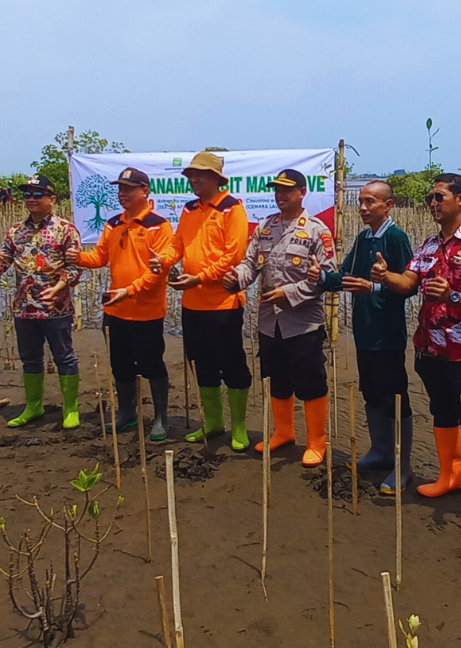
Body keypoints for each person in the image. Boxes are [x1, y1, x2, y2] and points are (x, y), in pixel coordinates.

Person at [376, 173, 461, 535]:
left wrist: (454, 297)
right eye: (429, 199)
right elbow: (409, 282)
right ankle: (451, 475)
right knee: (442, 411)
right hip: (429, 347)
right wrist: (387, 276)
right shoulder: (428, 245)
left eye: (439, 197)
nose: (433, 204)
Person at [225, 169, 338, 466]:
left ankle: (316, 441)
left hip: (302, 322)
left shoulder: (317, 230)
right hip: (269, 320)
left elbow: (327, 276)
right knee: (277, 377)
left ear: (302, 192)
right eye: (277, 189)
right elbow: (250, 264)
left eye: (287, 190)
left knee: (311, 380)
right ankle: (284, 432)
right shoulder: (265, 227)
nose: (280, 194)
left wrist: (289, 293)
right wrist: (236, 278)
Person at [310, 180, 415, 491]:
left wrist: (377, 286)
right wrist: (323, 278)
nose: (364, 207)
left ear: (388, 205)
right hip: (364, 331)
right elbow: (347, 276)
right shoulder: (363, 237)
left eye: (371, 201)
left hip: (387, 334)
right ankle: (380, 452)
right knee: (371, 392)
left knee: (394, 396)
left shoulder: (395, 238)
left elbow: (411, 285)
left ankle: (404, 465)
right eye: (361, 201)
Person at [151, 151, 253, 450]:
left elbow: (234, 255)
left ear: (216, 179)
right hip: (192, 304)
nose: (193, 180)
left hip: (223, 303)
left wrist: (201, 277)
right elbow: (177, 245)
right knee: (202, 364)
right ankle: (212, 423)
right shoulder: (188, 209)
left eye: (200, 175)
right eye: (190, 175)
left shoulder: (232, 209)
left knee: (232, 363)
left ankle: (239, 427)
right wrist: (164, 261)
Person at [66, 168, 174, 439]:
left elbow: (159, 270)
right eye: (120, 189)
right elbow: (100, 257)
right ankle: (127, 412)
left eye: (128, 188)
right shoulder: (113, 224)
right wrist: (77, 257)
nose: (122, 194)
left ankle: (161, 416)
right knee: (120, 365)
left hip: (146, 311)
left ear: (144, 191)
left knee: (152, 365)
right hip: (115, 309)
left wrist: (132, 289)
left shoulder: (158, 225)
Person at [0, 174, 83, 430]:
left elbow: (75, 269)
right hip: (24, 309)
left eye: (37, 194)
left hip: (56, 308)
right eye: (27, 194)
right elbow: (1, 262)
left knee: (64, 357)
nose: (31, 199)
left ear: (51, 199)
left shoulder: (65, 230)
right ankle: (34, 406)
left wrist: (58, 288)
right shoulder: (15, 231)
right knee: (30, 359)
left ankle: (71, 407)